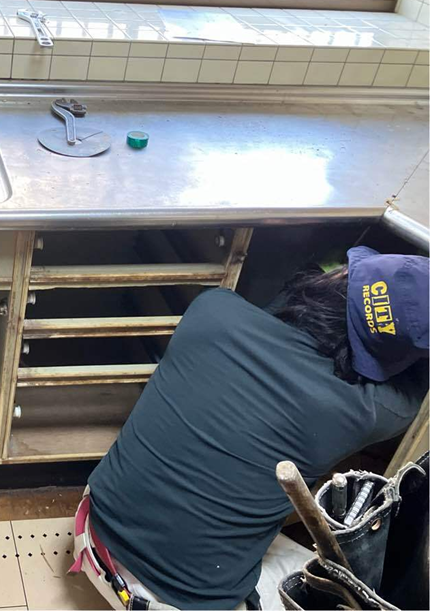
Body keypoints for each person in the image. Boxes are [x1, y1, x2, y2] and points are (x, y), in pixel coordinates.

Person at [69, 247, 429, 610]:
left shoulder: (212, 310)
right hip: (177, 601)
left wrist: (331, 288)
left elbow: (287, 300)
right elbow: (416, 382)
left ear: (338, 277)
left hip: (93, 531)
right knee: (335, 588)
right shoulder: (368, 411)